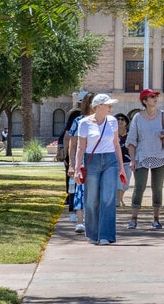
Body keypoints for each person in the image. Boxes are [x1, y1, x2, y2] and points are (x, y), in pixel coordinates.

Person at [74, 94, 125, 245]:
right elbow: (80, 147)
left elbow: (116, 145)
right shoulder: (84, 123)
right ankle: (93, 234)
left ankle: (106, 235)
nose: (111, 107)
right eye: (108, 105)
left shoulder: (113, 121)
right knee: (92, 199)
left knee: (108, 198)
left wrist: (121, 167)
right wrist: (77, 168)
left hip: (110, 161)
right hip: (92, 160)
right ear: (98, 106)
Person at [127, 89, 164, 230]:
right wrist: (132, 160)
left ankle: (156, 219)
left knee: (157, 188)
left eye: (156, 96)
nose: (155, 98)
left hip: (160, 156)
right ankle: (133, 219)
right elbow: (131, 141)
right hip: (141, 156)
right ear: (144, 101)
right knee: (139, 187)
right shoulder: (137, 117)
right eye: (152, 96)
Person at [67, 91, 97, 234]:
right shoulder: (78, 121)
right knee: (80, 190)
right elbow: (72, 145)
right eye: (92, 103)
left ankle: (93, 221)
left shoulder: (103, 121)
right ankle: (80, 221)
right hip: (82, 160)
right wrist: (72, 165)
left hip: (97, 160)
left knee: (95, 191)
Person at [115, 113, 132, 207]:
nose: (120, 121)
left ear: (126, 123)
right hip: (115, 162)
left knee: (125, 183)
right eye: (118, 119)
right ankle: (117, 201)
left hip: (127, 161)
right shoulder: (112, 133)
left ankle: (120, 198)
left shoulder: (130, 133)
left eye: (122, 119)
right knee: (118, 182)